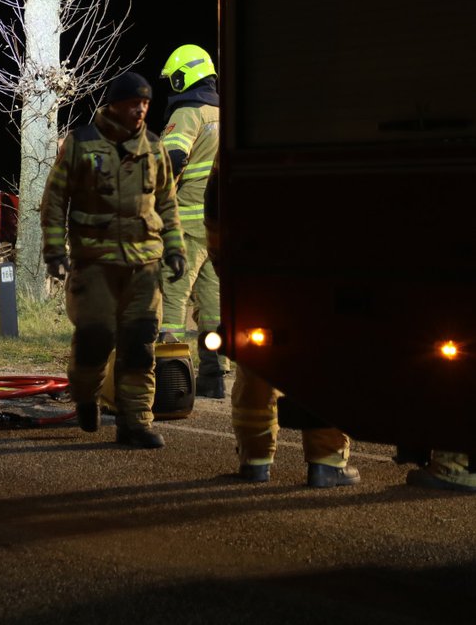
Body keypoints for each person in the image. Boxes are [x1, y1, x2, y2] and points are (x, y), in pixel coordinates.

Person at [41, 71, 186, 449]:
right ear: (114, 104)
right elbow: (55, 200)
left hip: (144, 265)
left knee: (140, 342)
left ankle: (135, 421)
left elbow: (167, 203)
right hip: (95, 263)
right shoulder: (81, 143)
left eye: (146, 103)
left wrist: (175, 248)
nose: (140, 109)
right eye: (133, 102)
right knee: (95, 337)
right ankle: (86, 396)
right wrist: (55, 251)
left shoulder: (154, 148)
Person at [200, 164, 359, 488]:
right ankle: (327, 463)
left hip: (256, 269)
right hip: (325, 267)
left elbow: (217, 199)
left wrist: (225, 265)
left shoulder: (249, 137)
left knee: (257, 356)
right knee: (324, 356)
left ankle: (255, 461)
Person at [157, 45, 228, 397]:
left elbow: (172, 156)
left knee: (172, 296)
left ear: (184, 76)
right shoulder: (227, 114)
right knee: (213, 301)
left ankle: (170, 375)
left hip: (185, 223)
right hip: (219, 226)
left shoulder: (188, 112)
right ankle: (213, 376)